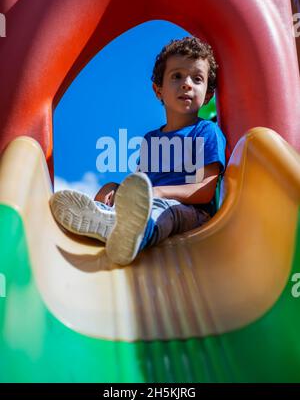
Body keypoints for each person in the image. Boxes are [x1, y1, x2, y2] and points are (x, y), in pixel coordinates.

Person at [50, 36, 226, 265]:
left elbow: (204, 190)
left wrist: (160, 193)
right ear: (158, 90)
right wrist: (119, 191)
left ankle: (134, 235)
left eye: (197, 78)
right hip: (150, 203)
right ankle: (106, 219)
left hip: (192, 213)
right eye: (177, 76)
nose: (187, 84)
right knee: (114, 190)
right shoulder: (151, 139)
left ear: (208, 95)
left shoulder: (206, 131)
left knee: (165, 211)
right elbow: (142, 184)